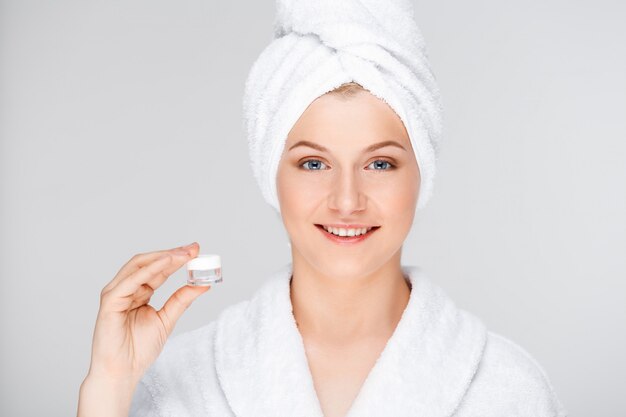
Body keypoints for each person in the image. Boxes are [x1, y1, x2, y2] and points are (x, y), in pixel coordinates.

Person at [77, 1, 569, 416]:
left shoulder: (508, 389)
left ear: (423, 173)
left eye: (380, 163)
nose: (347, 200)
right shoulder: (180, 383)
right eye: (313, 163)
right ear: (271, 173)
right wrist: (109, 386)